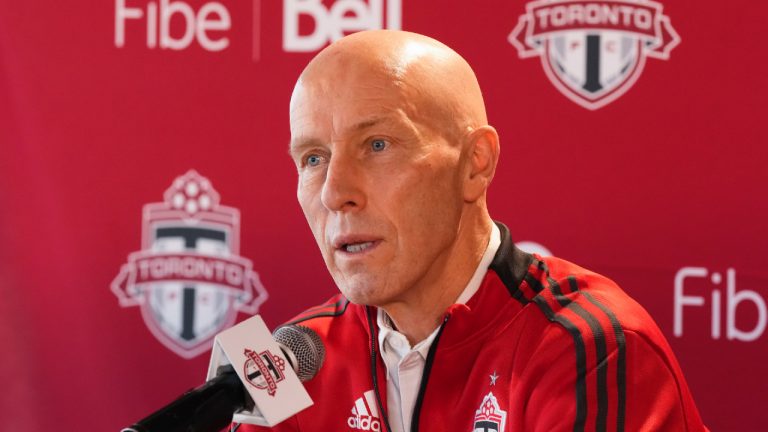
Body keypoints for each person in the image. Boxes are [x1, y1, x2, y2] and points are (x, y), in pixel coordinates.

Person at [234, 30, 707, 432]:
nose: (335, 192)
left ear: (475, 164)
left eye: (377, 145)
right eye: (313, 159)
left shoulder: (592, 345)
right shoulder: (286, 358)